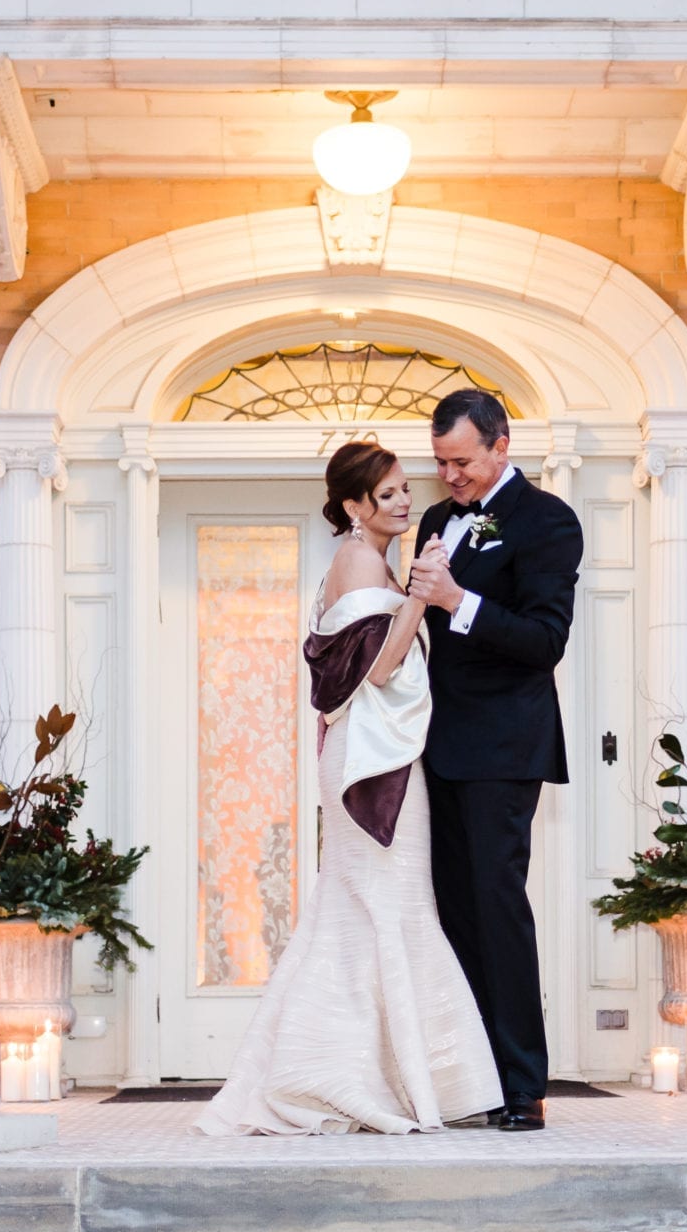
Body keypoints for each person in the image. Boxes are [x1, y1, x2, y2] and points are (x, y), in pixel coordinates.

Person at [194, 442, 504, 1136]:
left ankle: (368, 1073)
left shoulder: (372, 563)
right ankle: (346, 1076)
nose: (404, 501)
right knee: (382, 907)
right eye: (389, 493)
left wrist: (415, 592)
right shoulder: (360, 561)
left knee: (372, 910)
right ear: (357, 506)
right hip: (371, 760)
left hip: (380, 751)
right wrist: (422, 599)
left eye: (403, 490)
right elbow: (380, 668)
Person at [407, 388, 583, 1132]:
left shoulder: (548, 521)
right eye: (440, 462)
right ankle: (473, 1076)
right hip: (439, 746)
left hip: (506, 746)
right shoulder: (438, 521)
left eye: (462, 461)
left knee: (499, 908)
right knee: (457, 915)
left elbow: (546, 639)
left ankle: (522, 1082)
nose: (449, 476)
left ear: (501, 444)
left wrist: (457, 600)